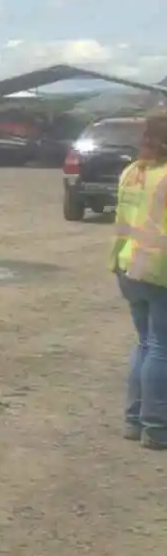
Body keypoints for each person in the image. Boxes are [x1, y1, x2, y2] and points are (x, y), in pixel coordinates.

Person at [113, 109, 167, 448]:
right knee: (162, 347)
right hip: (159, 269)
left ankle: (134, 420)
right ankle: (156, 428)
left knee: (145, 343)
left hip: (127, 265)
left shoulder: (131, 172)